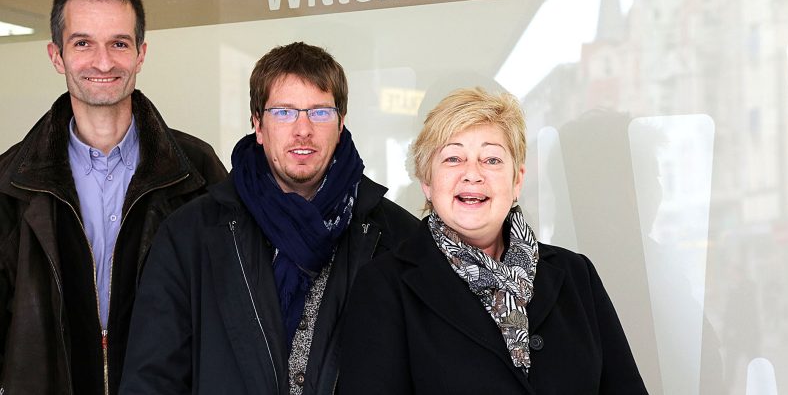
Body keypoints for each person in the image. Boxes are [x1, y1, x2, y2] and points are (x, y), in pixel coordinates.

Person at [120, 41, 418, 395]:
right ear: (258, 125)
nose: (303, 129)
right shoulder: (191, 235)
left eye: (320, 112)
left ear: (341, 126)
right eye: (284, 112)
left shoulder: (397, 239)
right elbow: (152, 380)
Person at [0, 0, 227, 395]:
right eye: (83, 43)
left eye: (119, 44)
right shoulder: (9, 182)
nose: (103, 63)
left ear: (141, 54)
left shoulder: (196, 170)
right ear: (56, 55)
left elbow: (228, 310)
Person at [338, 87, 648, 394]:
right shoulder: (383, 285)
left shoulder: (577, 275)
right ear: (427, 183)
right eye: (453, 158)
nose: (472, 174)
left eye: (492, 160)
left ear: (517, 180)